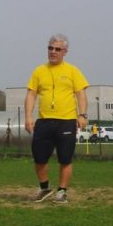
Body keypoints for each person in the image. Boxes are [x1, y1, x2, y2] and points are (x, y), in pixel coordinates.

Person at [24, 34, 89, 203]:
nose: (53, 52)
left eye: (57, 49)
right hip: (44, 121)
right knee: (39, 158)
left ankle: (62, 191)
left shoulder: (72, 71)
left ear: (65, 52)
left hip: (66, 121)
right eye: (50, 48)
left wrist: (82, 115)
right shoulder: (39, 71)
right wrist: (28, 117)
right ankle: (45, 188)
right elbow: (31, 94)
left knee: (65, 158)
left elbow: (81, 94)